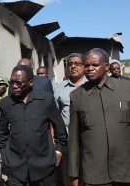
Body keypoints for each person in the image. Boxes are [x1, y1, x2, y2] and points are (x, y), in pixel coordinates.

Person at [0, 65, 67, 185]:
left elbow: (60, 127)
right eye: (12, 82)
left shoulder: (46, 100)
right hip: (16, 169)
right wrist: (5, 156)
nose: (14, 86)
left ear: (30, 82)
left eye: (19, 83)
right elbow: (2, 133)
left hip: (44, 168)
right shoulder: (6, 104)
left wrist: (59, 151)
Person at [69, 48, 130, 186]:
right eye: (87, 65)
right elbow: (74, 140)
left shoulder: (127, 89)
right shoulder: (77, 96)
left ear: (106, 66)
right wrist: (74, 174)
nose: (90, 68)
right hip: (94, 174)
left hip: (126, 170)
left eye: (95, 65)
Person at [55, 53, 87, 186]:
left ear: (84, 66)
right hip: (67, 141)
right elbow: (55, 116)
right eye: (70, 64)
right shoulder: (60, 88)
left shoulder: (91, 85)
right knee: (69, 175)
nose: (73, 66)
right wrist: (58, 146)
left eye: (77, 63)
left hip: (88, 139)